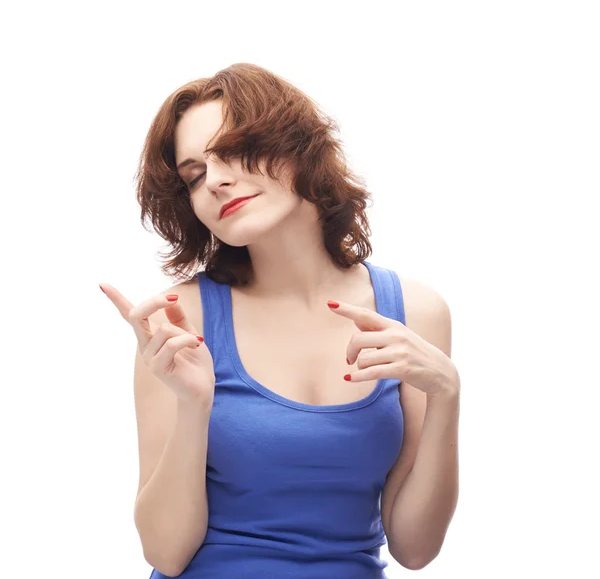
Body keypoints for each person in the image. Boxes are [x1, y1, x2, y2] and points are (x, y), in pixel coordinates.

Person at [100, 63, 461, 578]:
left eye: (234, 151)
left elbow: (415, 548)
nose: (217, 181)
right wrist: (192, 404)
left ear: (298, 146)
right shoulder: (182, 318)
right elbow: (165, 552)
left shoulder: (415, 312)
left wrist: (447, 393)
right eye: (195, 176)